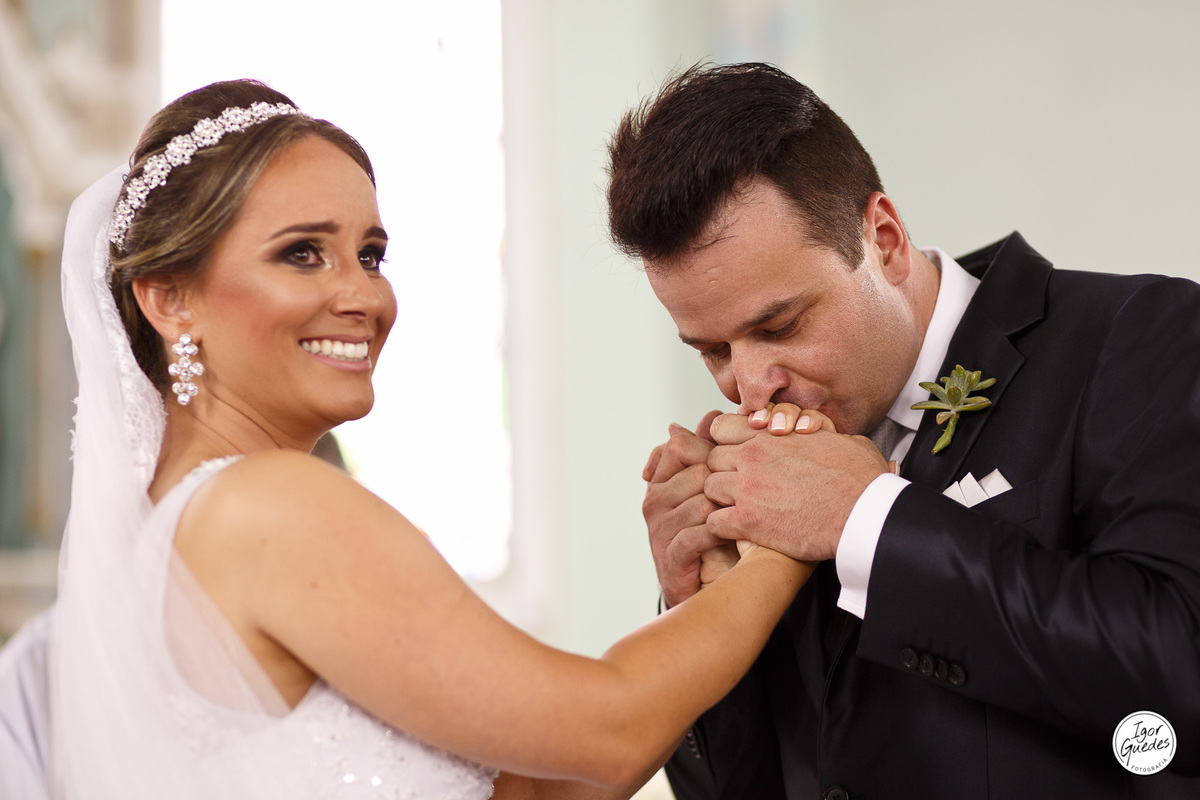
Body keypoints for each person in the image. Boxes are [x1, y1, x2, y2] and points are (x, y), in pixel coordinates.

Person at [23, 78, 813, 800]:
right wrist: (786, 534)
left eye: (369, 254)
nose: (361, 293)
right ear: (167, 300)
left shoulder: (169, 533)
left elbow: (542, 791)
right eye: (302, 254)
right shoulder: (264, 508)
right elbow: (606, 731)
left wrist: (703, 593)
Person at [606, 63, 1200, 799]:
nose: (753, 385)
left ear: (883, 239)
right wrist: (697, 607)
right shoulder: (756, 480)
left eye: (780, 324)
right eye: (713, 351)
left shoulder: (1135, 336)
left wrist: (870, 522)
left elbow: (1179, 685)